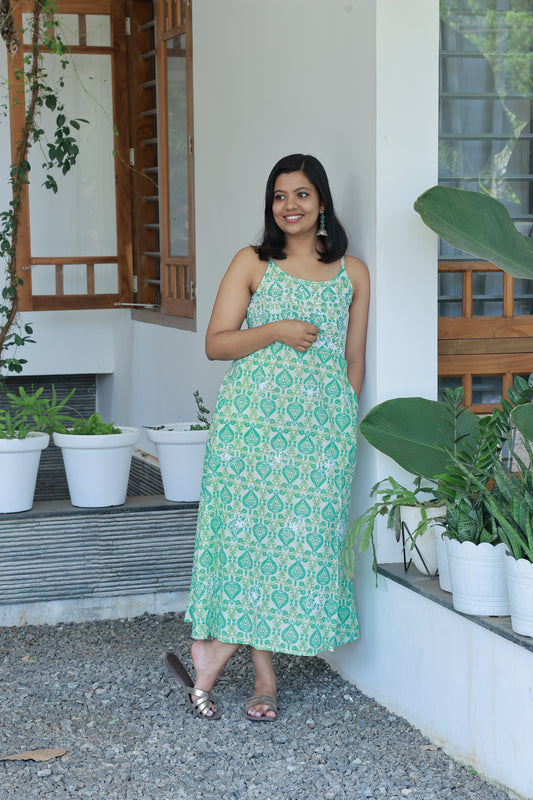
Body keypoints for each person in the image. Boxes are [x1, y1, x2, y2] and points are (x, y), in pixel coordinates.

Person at [165, 153, 370, 721]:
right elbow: (217, 343)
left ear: (322, 201)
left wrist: (342, 426)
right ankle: (262, 677)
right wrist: (276, 330)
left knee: (299, 549)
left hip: (320, 433)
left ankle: (215, 653)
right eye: (280, 196)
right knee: (252, 544)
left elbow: (353, 360)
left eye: (302, 195)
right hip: (251, 429)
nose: (290, 206)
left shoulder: (353, 273)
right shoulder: (253, 261)